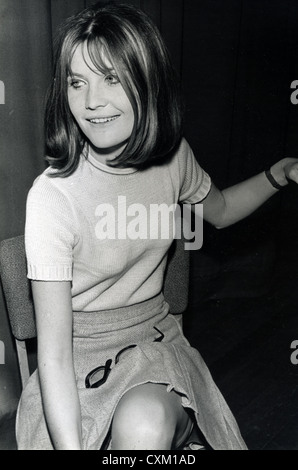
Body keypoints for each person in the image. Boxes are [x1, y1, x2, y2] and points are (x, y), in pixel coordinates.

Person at [16, 2, 298, 451]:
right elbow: (52, 355)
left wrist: (277, 175)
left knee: (143, 426)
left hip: (153, 345)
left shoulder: (173, 157)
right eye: (77, 82)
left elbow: (221, 210)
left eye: (111, 78)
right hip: (75, 363)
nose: (91, 102)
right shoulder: (53, 197)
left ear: (146, 82)